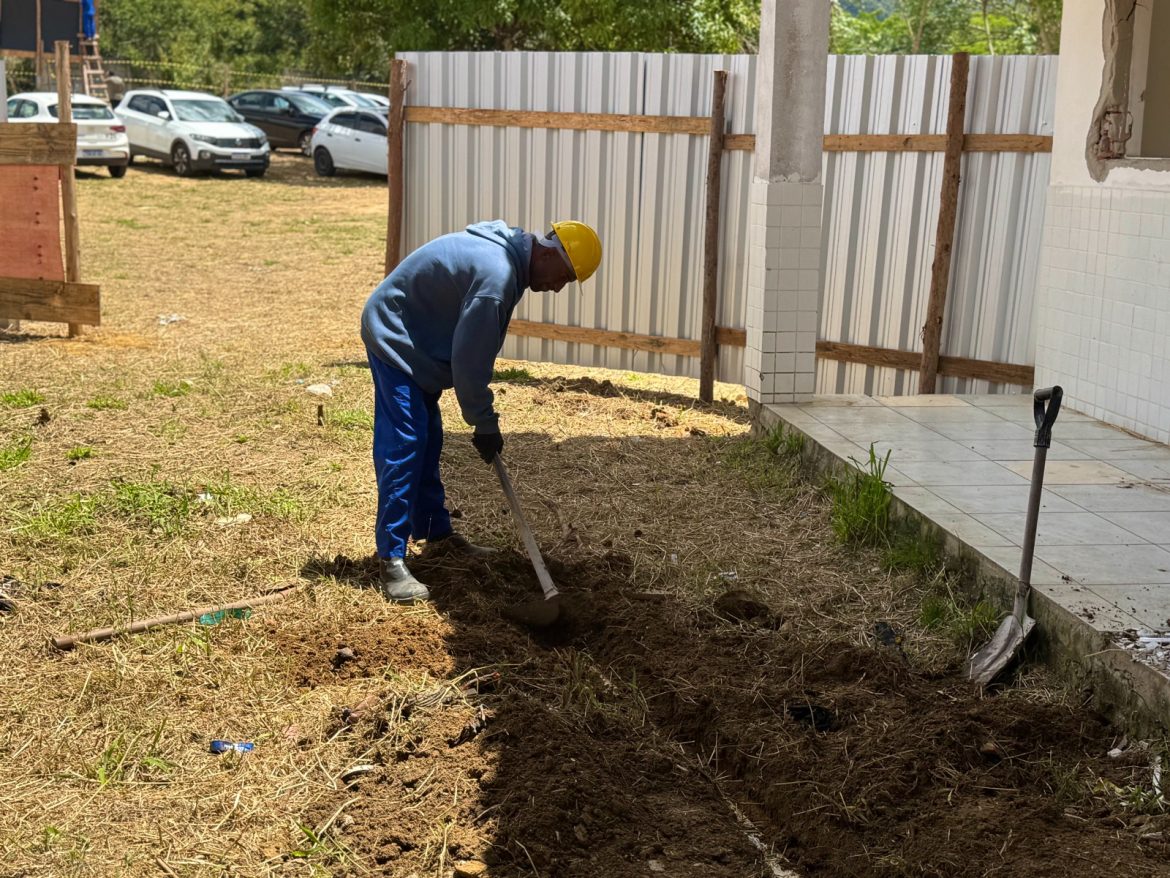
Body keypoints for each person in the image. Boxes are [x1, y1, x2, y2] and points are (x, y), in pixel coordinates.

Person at [360, 220, 602, 603]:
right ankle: (390, 559)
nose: (558, 287)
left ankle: (437, 535)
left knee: (428, 439)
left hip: (421, 340)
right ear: (546, 254)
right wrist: (484, 422)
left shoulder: (511, 262)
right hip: (396, 336)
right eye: (564, 277)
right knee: (406, 443)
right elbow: (470, 362)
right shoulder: (498, 276)